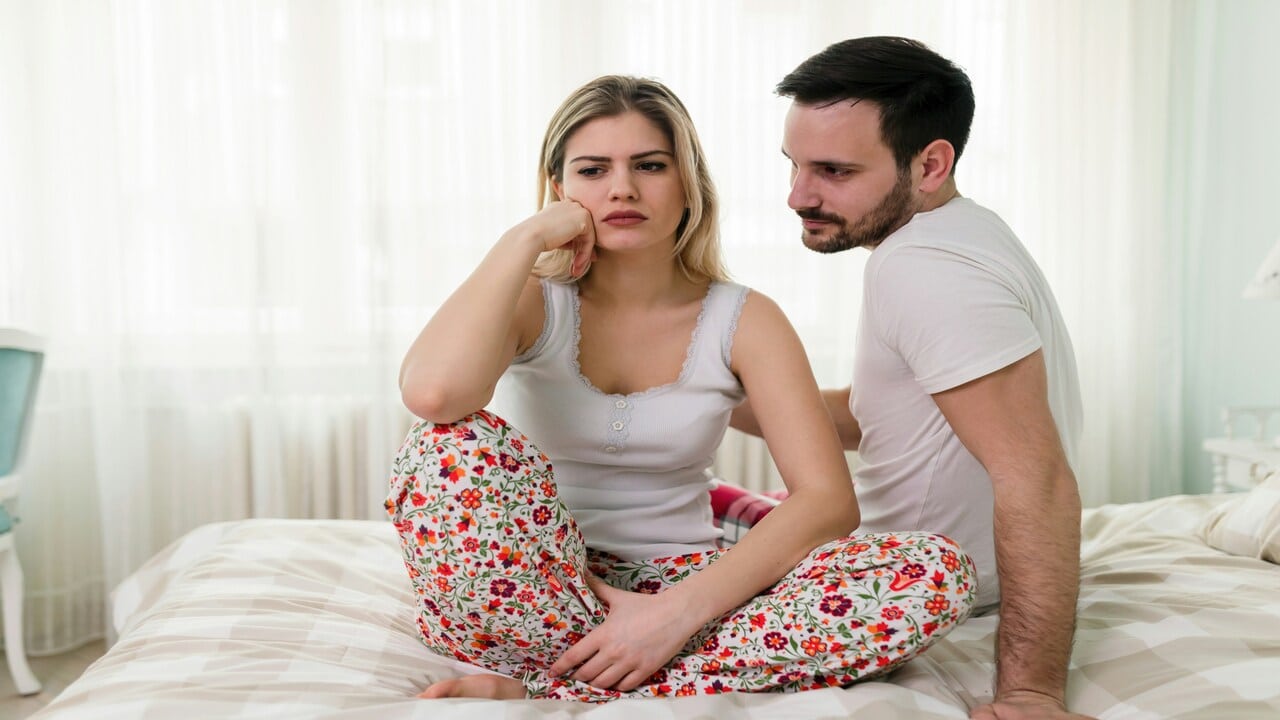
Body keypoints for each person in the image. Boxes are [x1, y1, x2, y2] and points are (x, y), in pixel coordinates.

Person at [387, 74, 976, 702]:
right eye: (592, 170)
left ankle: (560, 682)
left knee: (935, 572)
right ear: (559, 189)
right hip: (539, 584)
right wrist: (525, 237)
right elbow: (432, 395)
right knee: (444, 446)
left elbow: (828, 501)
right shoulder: (535, 302)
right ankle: (621, 663)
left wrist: (672, 615)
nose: (622, 188)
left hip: (691, 584)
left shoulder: (747, 319)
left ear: (687, 182)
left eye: (649, 165)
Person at [731, 37, 1092, 719]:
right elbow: (886, 422)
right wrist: (713, 393)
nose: (797, 195)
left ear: (930, 164)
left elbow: (1035, 476)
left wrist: (1029, 693)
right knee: (720, 508)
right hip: (909, 557)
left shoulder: (926, 268)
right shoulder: (961, 233)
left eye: (834, 171)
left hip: (917, 582)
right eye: (795, 165)